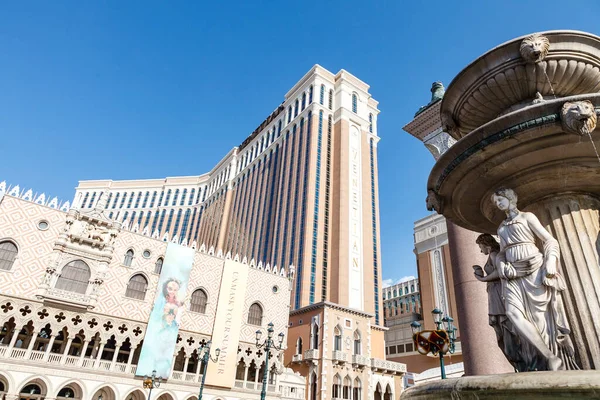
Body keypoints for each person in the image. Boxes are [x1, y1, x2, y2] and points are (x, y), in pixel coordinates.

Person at [491, 188, 578, 371]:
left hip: (534, 270)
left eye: (500, 200)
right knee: (512, 313)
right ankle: (548, 356)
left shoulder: (527, 217)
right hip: (512, 274)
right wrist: (501, 266)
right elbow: (501, 253)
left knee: (540, 320)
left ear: (510, 198)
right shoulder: (501, 227)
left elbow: (549, 240)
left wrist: (550, 262)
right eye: (495, 202)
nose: (498, 204)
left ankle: (551, 362)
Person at [473, 233, 525, 371]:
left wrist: (483, 279)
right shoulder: (493, 255)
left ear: (486, 244)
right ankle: (518, 362)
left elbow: (500, 272)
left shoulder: (494, 255)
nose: (480, 250)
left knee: (504, 326)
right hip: (494, 293)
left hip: (498, 293)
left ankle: (520, 361)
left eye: (480, 247)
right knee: (501, 327)